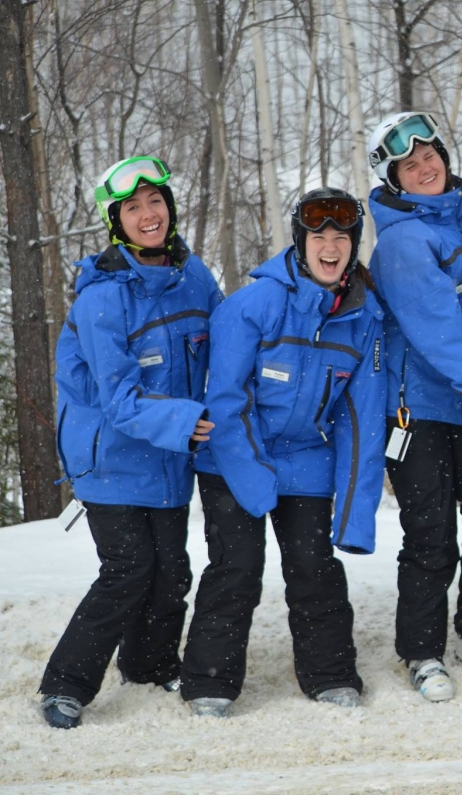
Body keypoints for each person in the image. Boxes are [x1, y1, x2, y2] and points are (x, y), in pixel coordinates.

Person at [179, 188, 386, 716]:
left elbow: (359, 422)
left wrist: (355, 518)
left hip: (306, 457)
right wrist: (254, 483)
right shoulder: (252, 305)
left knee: (315, 568)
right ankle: (209, 683)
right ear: (300, 242)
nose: (331, 246)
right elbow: (226, 400)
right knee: (237, 567)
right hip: (231, 456)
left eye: (342, 236)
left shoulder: (364, 318)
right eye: (320, 235)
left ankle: (330, 674)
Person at [40, 156, 223, 729]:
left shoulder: (194, 277)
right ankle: (65, 684)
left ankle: (148, 666)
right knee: (129, 568)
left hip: (168, 456)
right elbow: (118, 398)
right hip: (110, 457)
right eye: (133, 207)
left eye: (156, 201)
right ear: (116, 222)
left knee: (173, 571)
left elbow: (229, 344)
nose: (149, 214)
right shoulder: (102, 299)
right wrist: (187, 420)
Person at [366, 111, 462, 703]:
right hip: (417, 411)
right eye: (410, 164)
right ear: (393, 181)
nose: (426, 167)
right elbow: (442, 336)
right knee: (430, 535)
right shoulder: (406, 240)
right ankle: (422, 651)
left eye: (430, 154)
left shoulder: (461, 217)